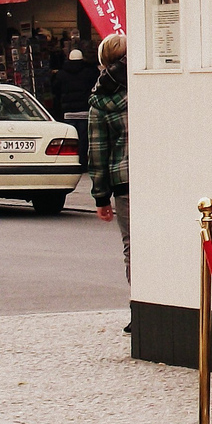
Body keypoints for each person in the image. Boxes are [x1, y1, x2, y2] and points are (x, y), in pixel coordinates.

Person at [89, 33, 131, 324]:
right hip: (161, 176)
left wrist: (101, 197)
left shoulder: (100, 101)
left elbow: (98, 152)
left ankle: (139, 307)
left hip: (124, 179)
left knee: (133, 246)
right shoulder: (147, 85)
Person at [53, 45, 98, 168]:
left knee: (71, 140)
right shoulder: (90, 72)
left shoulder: (61, 74)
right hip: (84, 111)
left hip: (68, 112)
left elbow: (56, 91)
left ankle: (72, 162)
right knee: (84, 139)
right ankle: (83, 163)